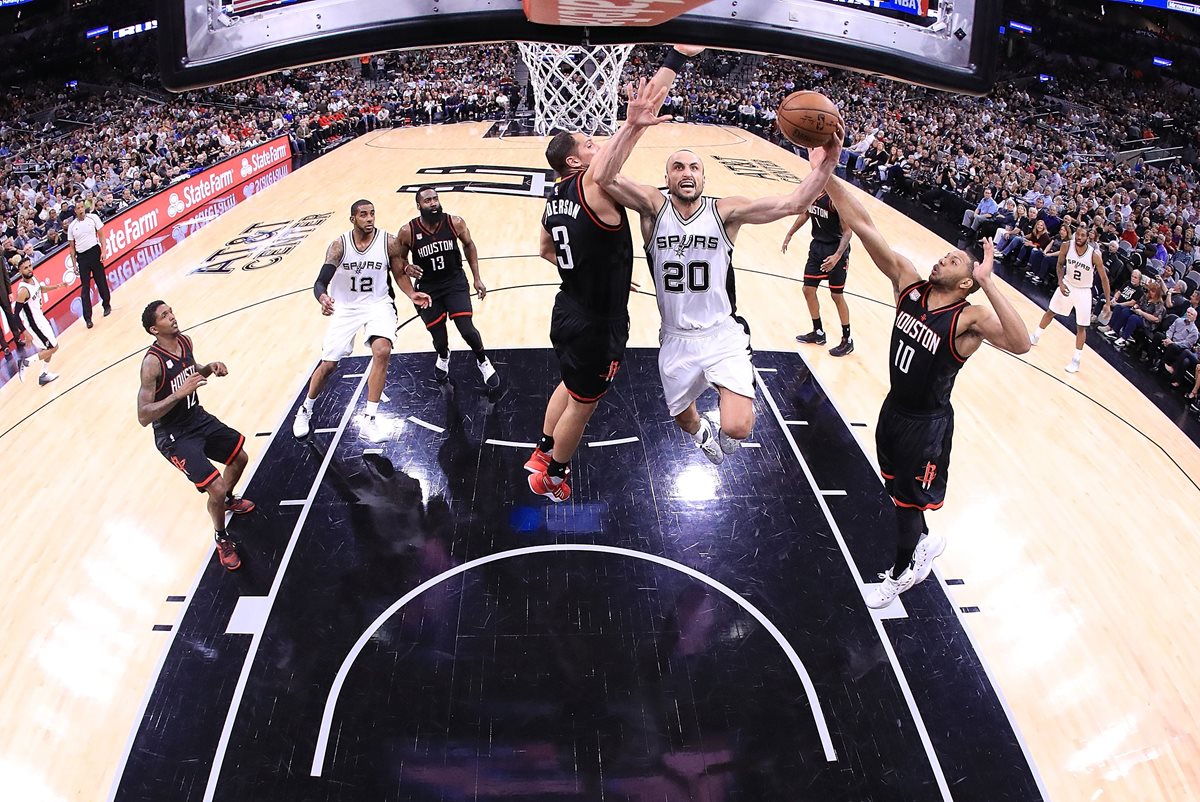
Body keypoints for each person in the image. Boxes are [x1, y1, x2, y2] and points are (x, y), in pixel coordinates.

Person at [813, 147, 1032, 609]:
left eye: (952, 261)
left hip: (927, 424)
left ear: (966, 281)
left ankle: (898, 578)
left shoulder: (968, 319)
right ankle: (925, 544)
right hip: (893, 409)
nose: (940, 261)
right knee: (898, 491)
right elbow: (868, 226)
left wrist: (990, 281)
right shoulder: (909, 284)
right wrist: (826, 172)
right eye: (945, 256)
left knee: (907, 504)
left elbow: (1021, 342)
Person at [526, 47, 701, 502]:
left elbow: (546, 247)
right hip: (596, 325)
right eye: (588, 144)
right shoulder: (590, 182)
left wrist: (594, 271)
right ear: (575, 163)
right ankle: (554, 477)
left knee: (569, 385)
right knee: (583, 407)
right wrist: (673, 60)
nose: (596, 144)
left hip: (567, 308)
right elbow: (625, 140)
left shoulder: (556, 193)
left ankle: (543, 451)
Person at [604, 138, 842, 464]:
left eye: (694, 168)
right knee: (684, 419)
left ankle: (726, 409)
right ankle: (703, 432)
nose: (686, 173)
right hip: (676, 338)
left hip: (720, 334)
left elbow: (792, 204)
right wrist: (633, 126)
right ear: (668, 178)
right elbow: (605, 176)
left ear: (703, 178)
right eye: (678, 167)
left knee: (739, 427)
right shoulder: (653, 207)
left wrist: (828, 163)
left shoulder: (725, 212)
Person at [292, 200, 431, 442]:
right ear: (353, 219)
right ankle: (305, 409)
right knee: (328, 365)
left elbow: (399, 273)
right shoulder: (339, 246)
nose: (369, 218)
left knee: (382, 350)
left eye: (372, 214)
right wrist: (322, 297)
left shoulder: (389, 242)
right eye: (363, 215)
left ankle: (370, 418)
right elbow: (320, 282)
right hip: (346, 307)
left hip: (378, 303)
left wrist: (411, 293)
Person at [137, 301, 256, 571]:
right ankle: (221, 537)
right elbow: (143, 415)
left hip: (196, 418)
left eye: (171, 311)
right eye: (165, 316)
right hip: (173, 434)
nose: (172, 317)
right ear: (154, 329)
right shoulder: (152, 363)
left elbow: (191, 371)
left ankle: (226, 502)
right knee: (215, 486)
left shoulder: (186, 342)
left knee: (240, 458)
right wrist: (178, 394)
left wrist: (209, 368)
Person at [397, 187, 499, 388]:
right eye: (427, 200)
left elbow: (469, 245)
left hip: (454, 282)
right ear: (419, 206)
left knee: (467, 329)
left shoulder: (455, 223)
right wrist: (407, 267)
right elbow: (399, 259)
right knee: (439, 338)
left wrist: (476, 278)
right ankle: (443, 356)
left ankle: (483, 361)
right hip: (428, 288)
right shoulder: (408, 231)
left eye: (435, 199)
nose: (433, 203)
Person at [1029, 225, 1112, 373]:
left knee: (1081, 326)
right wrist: (1060, 282)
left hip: (1084, 291)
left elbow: (1104, 279)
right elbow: (1060, 265)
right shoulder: (1067, 246)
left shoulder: (1094, 255)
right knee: (1050, 312)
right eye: (1078, 235)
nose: (1079, 238)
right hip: (1067, 285)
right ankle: (1035, 336)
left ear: (1088, 238)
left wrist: (1107, 302)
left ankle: (1076, 360)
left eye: (1082, 235)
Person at [783, 189, 854, 356]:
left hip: (835, 249)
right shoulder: (813, 193)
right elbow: (805, 214)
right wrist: (790, 233)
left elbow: (848, 231)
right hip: (817, 247)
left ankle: (847, 339)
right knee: (808, 290)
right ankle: (818, 332)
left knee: (836, 295)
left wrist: (837, 256)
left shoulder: (835, 200)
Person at [13, 256, 68, 385]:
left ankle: (43, 375)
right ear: (20, 271)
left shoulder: (33, 279)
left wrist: (57, 286)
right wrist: (26, 333)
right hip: (34, 325)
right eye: (25, 268)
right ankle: (26, 362)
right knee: (54, 347)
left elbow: (40, 289)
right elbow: (15, 315)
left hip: (41, 319)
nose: (29, 269)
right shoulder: (23, 291)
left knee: (48, 347)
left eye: (30, 266)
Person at [67, 201, 110, 329]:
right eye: (78, 208)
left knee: (101, 281)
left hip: (94, 251)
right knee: (85, 288)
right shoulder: (71, 226)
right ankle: (88, 318)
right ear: (75, 211)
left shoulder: (93, 218)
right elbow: (71, 248)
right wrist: (74, 264)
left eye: (81, 207)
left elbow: (101, 235)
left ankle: (106, 305)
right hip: (82, 257)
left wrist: (103, 250)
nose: (80, 210)